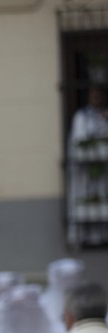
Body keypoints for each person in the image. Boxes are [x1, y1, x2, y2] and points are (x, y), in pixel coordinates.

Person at [66, 85, 108, 247]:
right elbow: (79, 139)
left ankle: (102, 237)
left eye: (99, 94)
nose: (96, 98)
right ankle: (83, 238)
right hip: (85, 169)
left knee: (101, 198)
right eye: (93, 94)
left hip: (103, 169)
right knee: (85, 198)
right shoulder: (82, 116)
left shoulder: (104, 115)